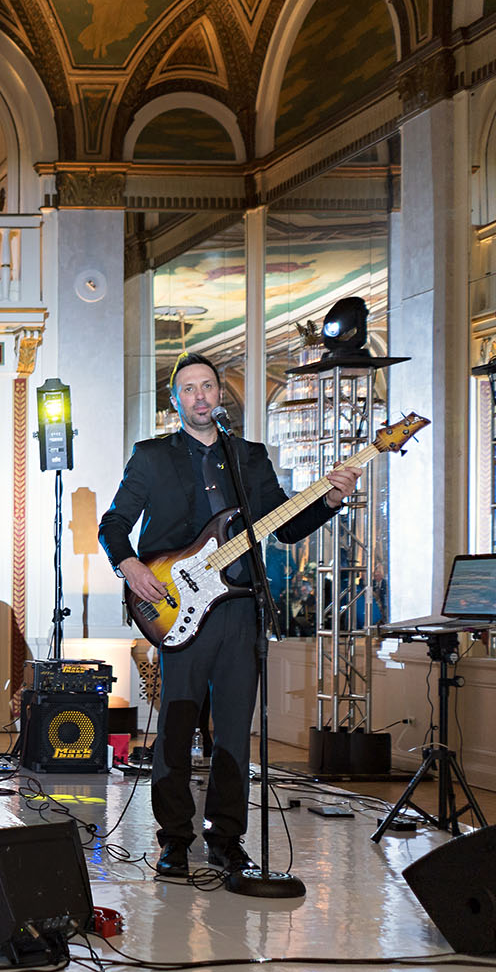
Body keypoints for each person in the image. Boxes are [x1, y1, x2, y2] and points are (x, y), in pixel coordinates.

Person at [99, 351, 361, 883]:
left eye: (208, 387)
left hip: (240, 609)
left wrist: (330, 501)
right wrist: (128, 565)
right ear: (175, 401)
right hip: (176, 604)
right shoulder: (151, 457)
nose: (200, 396)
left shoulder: (250, 458)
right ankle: (174, 839)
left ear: (220, 396)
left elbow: (284, 526)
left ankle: (227, 839)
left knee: (234, 732)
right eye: (189, 389)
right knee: (175, 729)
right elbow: (114, 524)